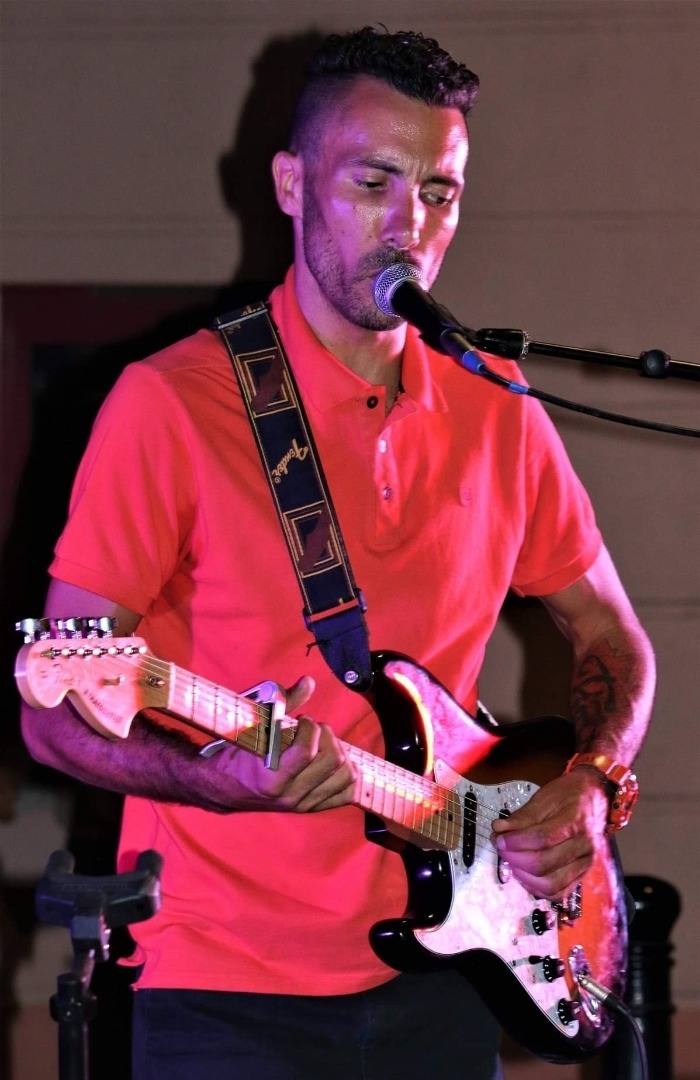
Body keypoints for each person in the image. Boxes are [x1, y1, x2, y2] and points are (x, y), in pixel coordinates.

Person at [20, 25, 655, 1080]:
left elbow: (612, 635)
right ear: (290, 185)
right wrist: (217, 781)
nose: (409, 225)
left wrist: (591, 781)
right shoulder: (170, 406)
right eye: (373, 182)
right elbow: (51, 718)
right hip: (222, 982)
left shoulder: (498, 406)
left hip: (448, 968)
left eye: (439, 192)